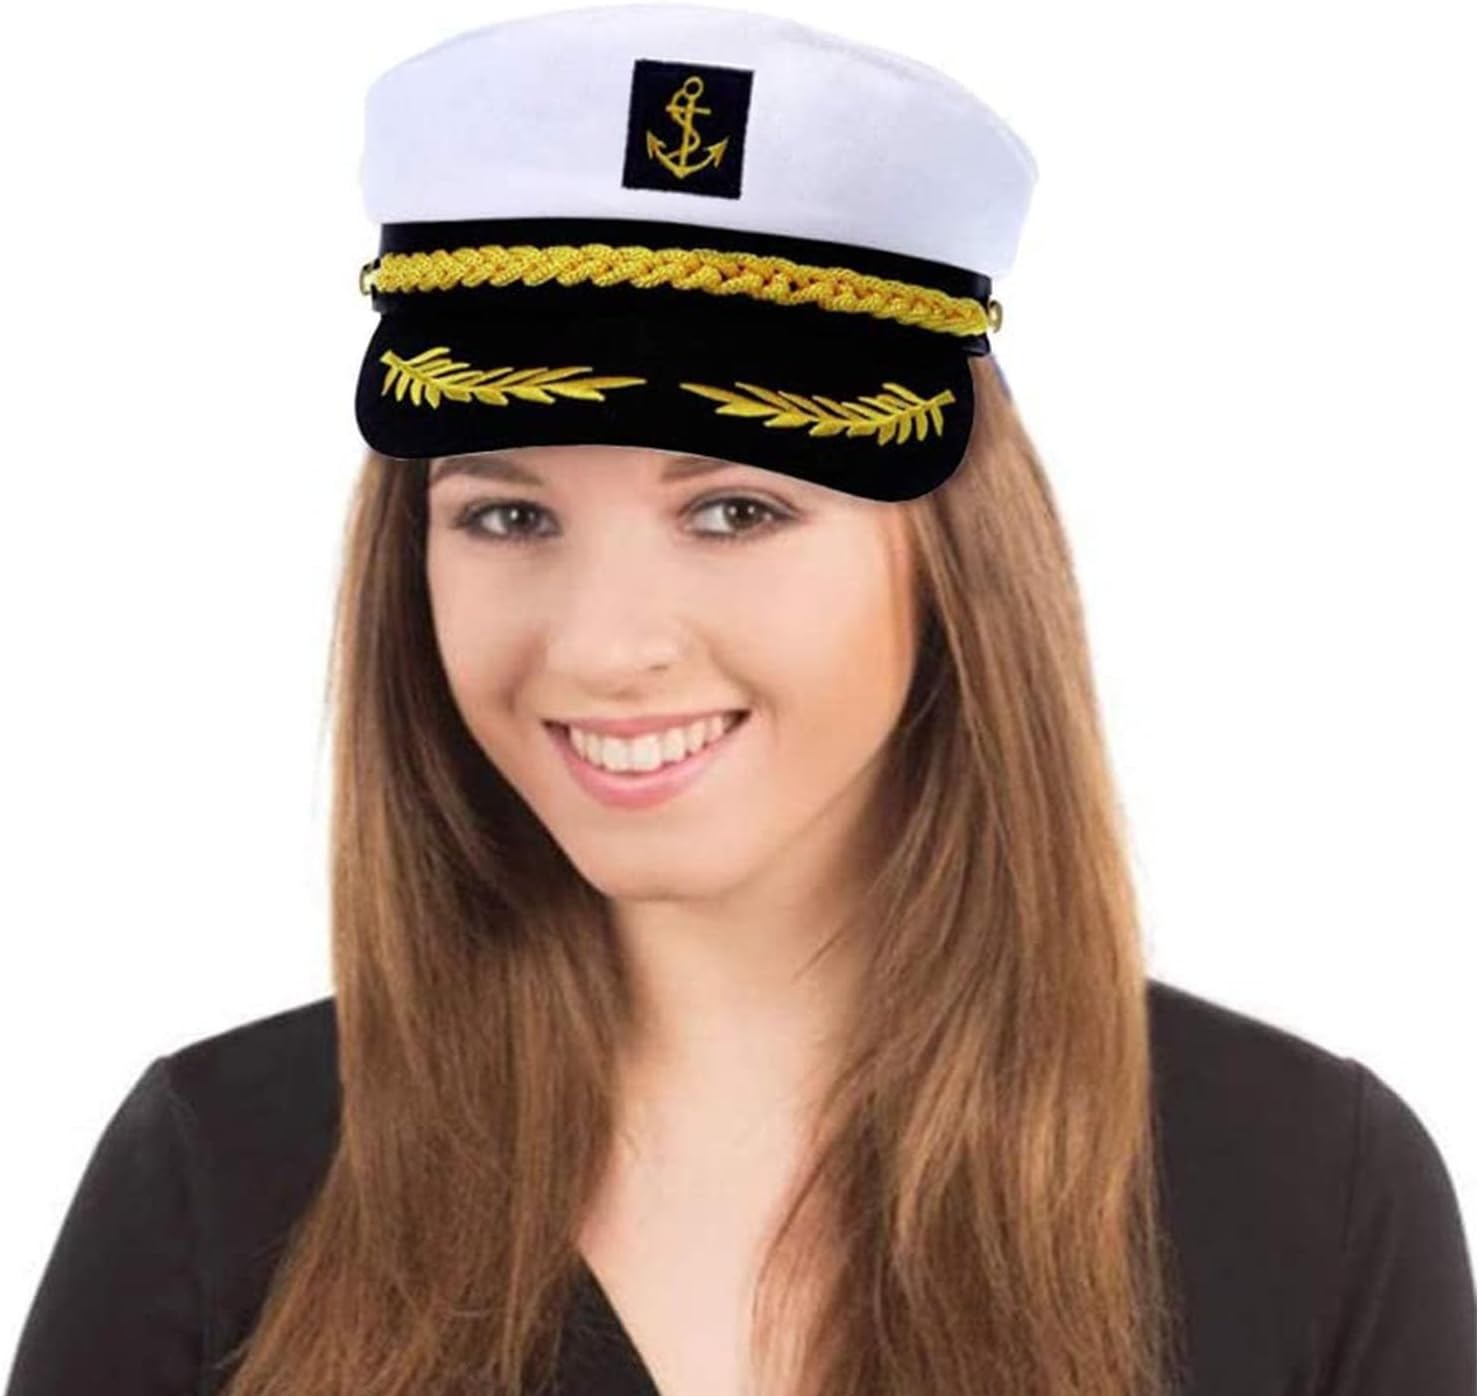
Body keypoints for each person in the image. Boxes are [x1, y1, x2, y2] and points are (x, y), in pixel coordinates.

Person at [6, 6, 1474, 1396]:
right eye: (510, 517)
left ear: (953, 564)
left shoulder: (1309, 1192)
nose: (603, 646)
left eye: (735, 512)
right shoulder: (219, 1181)